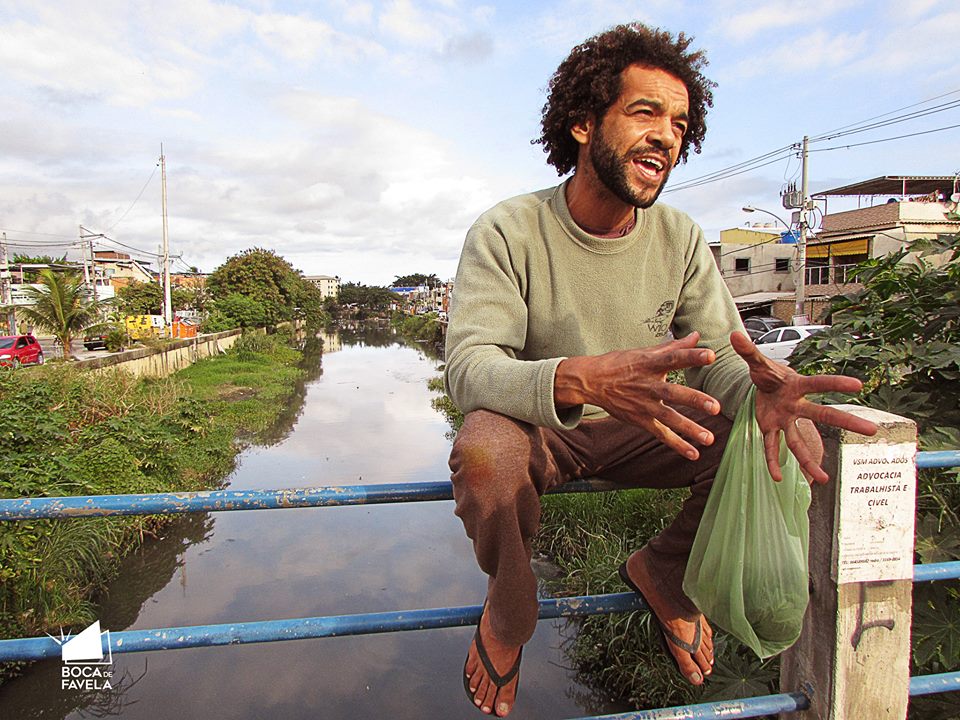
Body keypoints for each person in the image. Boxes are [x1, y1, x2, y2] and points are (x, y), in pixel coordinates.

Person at [444, 22, 877, 718]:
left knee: (760, 436)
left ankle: (663, 572)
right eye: (645, 112)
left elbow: (723, 360)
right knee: (485, 451)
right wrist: (580, 380)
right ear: (584, 124)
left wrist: (762, 392)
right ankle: (509, 601)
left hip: (644, 429)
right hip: (539, 433)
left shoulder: (677, 238)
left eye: (679, 122)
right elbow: (469, 368)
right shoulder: (508, 230)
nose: (666, 135)